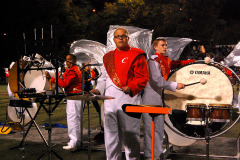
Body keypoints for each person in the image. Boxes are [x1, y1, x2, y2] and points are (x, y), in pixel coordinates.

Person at [91, 27, 149, 160]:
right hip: (109, 100)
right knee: (110, 136)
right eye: (117, 36)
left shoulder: (137, 54)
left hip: (129, 98)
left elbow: (143, 77)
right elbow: (103, 78)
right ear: (114, 39)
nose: (120, 38)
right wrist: (98, 89)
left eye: (123, 36)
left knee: (130, 137)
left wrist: (131, 87)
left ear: (128, 38)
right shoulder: (108, 57)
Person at [142, 38, 187, 160]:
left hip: (157, 98)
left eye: (166, 45)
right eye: (162, 45)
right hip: (150, 99)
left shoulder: (162, 60)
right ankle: (148, 155)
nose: (165, 47)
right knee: (149, 130)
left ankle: (156, 154)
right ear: (155, 47)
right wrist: (175, 85)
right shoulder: (153, 61)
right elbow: (157, 81)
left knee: (159, 129)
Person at [45, 54, 82, 151]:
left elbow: (64, 84)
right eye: (66, 60)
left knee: (72, 120)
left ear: (74, 60)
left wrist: (52, 79)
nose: (67, 62)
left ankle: (74, 142)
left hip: (74, 97)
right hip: (74, 97)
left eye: (69, 60)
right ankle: (76, 141)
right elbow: (63, 77)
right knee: (75, 120)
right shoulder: (72, 69)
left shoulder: (73, 70)